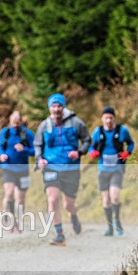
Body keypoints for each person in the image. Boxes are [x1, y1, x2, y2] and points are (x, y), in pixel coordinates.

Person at [34, 93, 89, 246]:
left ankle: (73, 216)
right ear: (50, 108)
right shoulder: (44, 125)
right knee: (52, 199)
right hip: (51, 167)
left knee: (68, 204)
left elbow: (87, 140)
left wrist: (79, 152)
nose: (56, 109)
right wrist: (39, 159)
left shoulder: (76, 122)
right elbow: (37, 144)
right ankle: (60, 234)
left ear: (63, 107)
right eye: (54, 106)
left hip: (71, 168)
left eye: (59, 106)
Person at [88, 105, 135, 236]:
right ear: (102, 119)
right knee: (106, 200)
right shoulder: (98, 132)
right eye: (106, 118)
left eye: (111, 118)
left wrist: (128, 152)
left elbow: (131, 143)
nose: (108, 120)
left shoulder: (122, 131)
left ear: (114, 118)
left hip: (117, 168)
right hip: (102, 169)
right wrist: (92, 152)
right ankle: (110, 227)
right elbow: (91, 146)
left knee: (115, 196)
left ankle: (117, 221)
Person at [0, 111, 35, 232]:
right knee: (9, 194)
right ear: (10, 121)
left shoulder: (27, 134)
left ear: (21, 121)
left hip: (23, 169)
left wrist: (24, 149)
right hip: (8, 167)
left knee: (21, 198)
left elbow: (35, 151)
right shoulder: (5, 132)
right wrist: (2, 154)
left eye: (17, 122)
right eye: (13, 122)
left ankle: (18, 222)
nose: (15, 125)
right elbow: (0, 145)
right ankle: (6, 216)